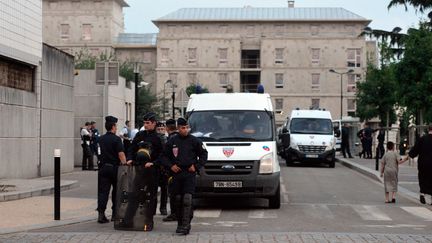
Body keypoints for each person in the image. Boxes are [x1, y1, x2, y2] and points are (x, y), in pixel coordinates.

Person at [162, 117, 208, 235]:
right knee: (177, 199)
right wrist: (171, 166)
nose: (185, 130)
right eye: (183, 128)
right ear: (178, 128)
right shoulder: (172, 141)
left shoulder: (194, 141)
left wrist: (196, 166)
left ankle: (186, 225)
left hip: (189, 173)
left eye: (187, 127)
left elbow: (204, 154)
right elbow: (164, 156)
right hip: (176, 173)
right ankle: (179, 224)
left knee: (187, 199)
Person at [125, 112, 164, 230]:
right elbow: (131, 148)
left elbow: (163, 155)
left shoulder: (158, 138)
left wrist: (154, 163)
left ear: (154, 123)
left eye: (148, 123)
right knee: (134, 194)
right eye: (144, 123)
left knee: (151, 196)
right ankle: (128, 220)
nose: (146, 125)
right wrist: (130, 158)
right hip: (139, 169)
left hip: (152, 171)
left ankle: (149, 220)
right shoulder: (140, 135)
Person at [97, 116, 127, 223]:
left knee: (103, 192)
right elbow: (121, 154)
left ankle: (101, 214)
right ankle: (115, 214)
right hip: (115, 168)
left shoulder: (100, 138)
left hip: (103, 168)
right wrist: (125, 165)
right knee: (116, 191)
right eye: (116, 126)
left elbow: (98, 152)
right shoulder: (116, 139)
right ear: (113, 126)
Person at [400, 125, 432, 205]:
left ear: (428, 130)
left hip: (423, 163)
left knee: (423, 177)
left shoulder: (422, 139)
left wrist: (406, 158)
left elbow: (415, 150)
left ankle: (422, 193)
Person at [162, 118, 179, 222]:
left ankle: (174, 213)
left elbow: (166, 156)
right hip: (181, 169)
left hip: (172, 170)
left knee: (172, 193)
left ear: (167, 128)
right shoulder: (180, 137)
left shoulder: (170, 140)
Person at [156, 121, 168, 215]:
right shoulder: (154, 140)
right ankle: (153, 207)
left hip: (164, 168)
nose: (160, 131)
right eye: (159, 129)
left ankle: (163, 208)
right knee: (153, 189)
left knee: (165, 189)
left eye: (162, 129)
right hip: (155, 168)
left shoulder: (167, 140)